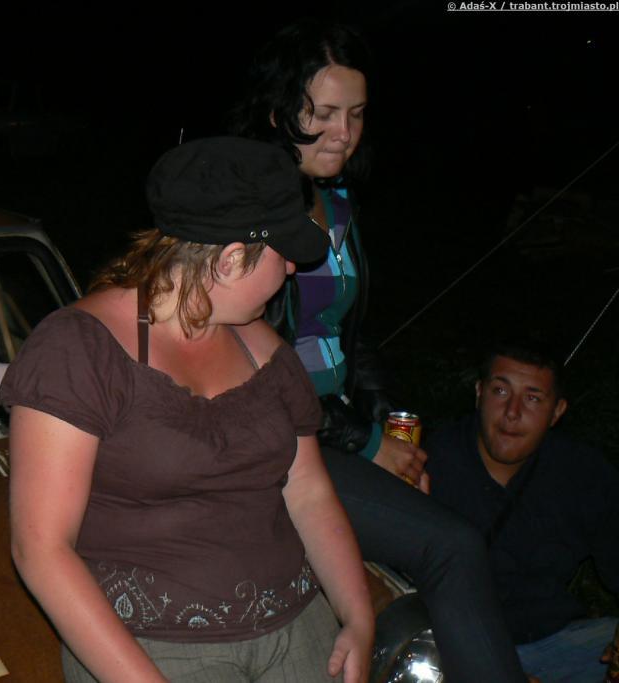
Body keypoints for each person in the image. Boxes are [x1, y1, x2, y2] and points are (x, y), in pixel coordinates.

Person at [0, 136, 374, 683]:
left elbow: (308, 490)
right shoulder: (78, 351)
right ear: (230, 260)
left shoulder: (262, 346)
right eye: (283, 253)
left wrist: (357, 615)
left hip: (297, 624)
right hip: (150, 648)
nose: (293, 268)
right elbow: (41, 548)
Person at [229, 19, 530, 682]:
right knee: (452, 546)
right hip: (276, 440)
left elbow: (351, 335)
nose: (344, 132)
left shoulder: (336, 199)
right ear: (278, 113)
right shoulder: (248, 211)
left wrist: (395, 430)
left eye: (357, 114)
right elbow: (258, 368)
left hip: (336, 426)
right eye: (324, 113)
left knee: (443, 508)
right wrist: (368, 445)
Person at [427, 341, 619, 683]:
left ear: (557, 411)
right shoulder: (431, 461)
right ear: (479, 393)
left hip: (553, 644)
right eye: (500, 391)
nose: (512, 412)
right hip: (447, 648)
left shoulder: (582, 472)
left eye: (532, 398)